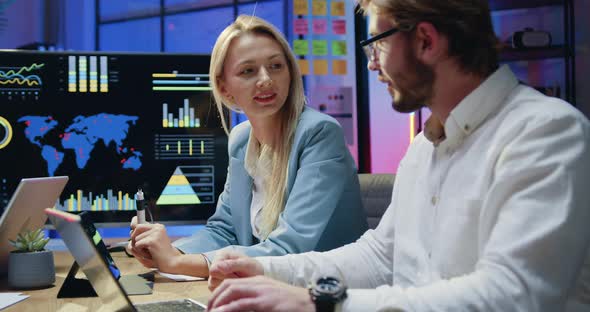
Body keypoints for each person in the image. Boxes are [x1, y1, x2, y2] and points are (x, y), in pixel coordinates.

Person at [205, 1, 590, 311]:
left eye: (378, 43)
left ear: (425, 40)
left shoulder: (546, 133)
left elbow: (512, 295)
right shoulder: (424, 148)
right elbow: (378, 258)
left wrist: (319, 302)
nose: (372, 63)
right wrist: (262, 269)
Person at [127, 15, 368, 278]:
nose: (265, 79)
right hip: (269, 291)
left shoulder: (319, 133)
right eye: (248, 71)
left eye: (276, 66)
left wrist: (177, 263)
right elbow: (223, 230)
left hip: (327, 292)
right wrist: (166, 253)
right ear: (224, 88)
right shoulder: (241, 140)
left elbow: (291, 249)